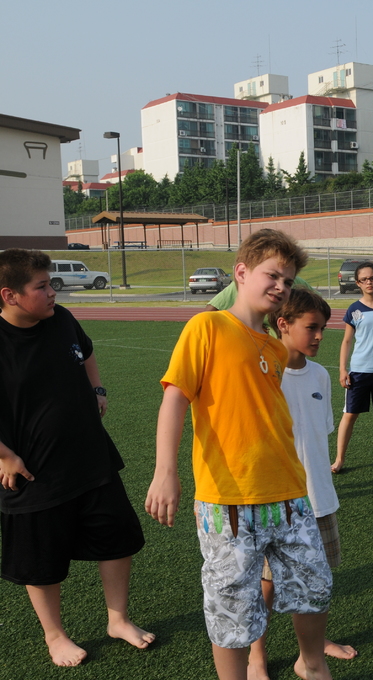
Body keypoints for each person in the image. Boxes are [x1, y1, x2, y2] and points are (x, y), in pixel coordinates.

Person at [146, 229, 333, 680]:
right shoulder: (206, 327)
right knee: (231, 605)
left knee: (314, 585)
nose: (281, 287)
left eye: (288, 281)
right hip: (227, 499)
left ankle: (312, 664)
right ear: (242, 272)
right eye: (273, 275)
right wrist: (164, 472)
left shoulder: (274, 344)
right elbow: (175, 398)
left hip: (289, 492)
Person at [0, 249, 152, 668]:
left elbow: (85, 353)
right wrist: (5, 455)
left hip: (90, 458)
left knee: (118, 537)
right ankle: (55, 636)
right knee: (41, 561)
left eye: (51, 284)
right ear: (9, 295)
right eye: (42, 287)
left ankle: (118, 620)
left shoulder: (61, 317)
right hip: (33, 473)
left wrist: (97, 390)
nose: (53, 292)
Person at [248, 288, 356, 678]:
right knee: (267, 584)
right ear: (283, 324)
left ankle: (311, 650)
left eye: (323, 329)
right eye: (311, 327)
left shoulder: (321, 375)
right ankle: (255, 655)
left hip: (319, 500)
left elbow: (318, 435)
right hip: (277, 502)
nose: (319, 336)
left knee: (318, 581)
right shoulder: (263, 376)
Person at [333, 262, 373, 473]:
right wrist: (342, 369)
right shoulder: (354, 309)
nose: (369, 282)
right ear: (358, 283)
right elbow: (347, 341)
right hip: (359, 371)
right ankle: (339, 459)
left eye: (372, 278)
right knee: (350, 415)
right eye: (364, 279)